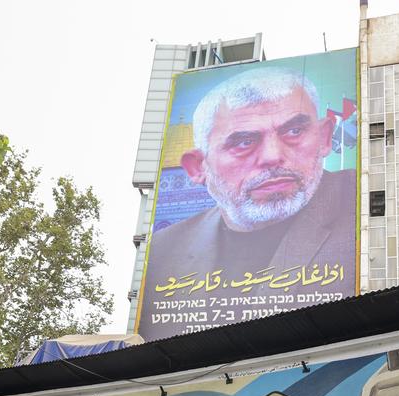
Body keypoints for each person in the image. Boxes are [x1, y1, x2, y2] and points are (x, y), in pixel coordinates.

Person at [143, 67, 356, 291]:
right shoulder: (164, 252)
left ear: (323, 139)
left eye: (294, 131)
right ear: (198, 167)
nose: (273, 157)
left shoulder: (363, 206)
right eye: (244, 142)